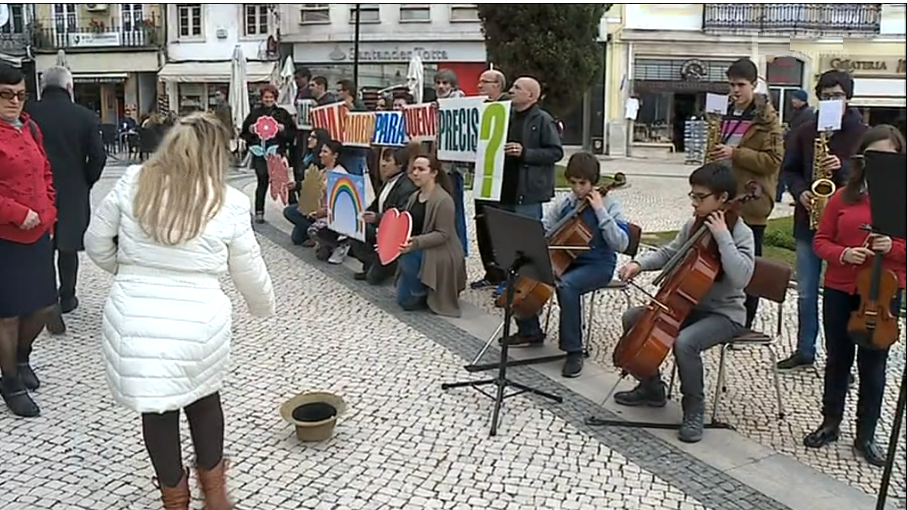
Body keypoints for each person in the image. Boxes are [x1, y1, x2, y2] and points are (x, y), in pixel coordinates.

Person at [84, 112, 275, 509]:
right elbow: (250, 269)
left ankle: (174, 499)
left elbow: (96, 241)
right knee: (204, 399)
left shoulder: (133, 182)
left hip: (134, 314)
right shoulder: (229, 202)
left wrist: (128, 272)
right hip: (198, 320)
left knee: (157, 409)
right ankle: (216, 495)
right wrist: (263, 308)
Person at [612, 162, 755, 443]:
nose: (694, 202)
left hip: (724, 314)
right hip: (689, 306)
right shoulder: (693, 225)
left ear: (723, 198)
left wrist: (722, 236)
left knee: (685, 342)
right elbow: (671, 253)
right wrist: (639, 265)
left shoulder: (741, 233)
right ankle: (651, 387)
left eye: (700, 197)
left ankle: (694, 408)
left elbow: (741, 278)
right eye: (693, 195)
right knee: (633, 317)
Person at [804, 125, 906, 467]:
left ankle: (866, 435)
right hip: (840, 288)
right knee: (838, 359)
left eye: (888, 158)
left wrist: (893, 247)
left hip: (882, 293)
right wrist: (844, 254)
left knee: (873, 365)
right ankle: (830, 422)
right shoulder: (843, 197)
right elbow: (821, 241)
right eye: (874, 157)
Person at [503, 153, 631, 378]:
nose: (577, 189)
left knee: (567, 285)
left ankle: (574, 350)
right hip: (567, 259)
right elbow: (545, 227)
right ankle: (529, 330)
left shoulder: (610, 205)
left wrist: (600, 211)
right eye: (573, 183)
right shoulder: (567, 203)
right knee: (523, 267)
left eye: (583, 183)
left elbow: (621, 243)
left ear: (593, 182)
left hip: (598, 264)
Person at [777, 70, 868, 371]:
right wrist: (800, 191)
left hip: (847, 228)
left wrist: (843, 168)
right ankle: (805, 349)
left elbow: (871, 179)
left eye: (837, 96)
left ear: (848, 98)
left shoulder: (863, 133)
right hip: (809, 220)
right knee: (806, 292)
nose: (831, 101)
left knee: (845, 295)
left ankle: (839, 361)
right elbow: (789, 170)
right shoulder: (806, 131)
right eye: (826, 96)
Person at [26, 65, 106, 335]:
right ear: (69, 87)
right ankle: (68, 296)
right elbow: (98, 156)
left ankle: (43, 296)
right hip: (73, 190)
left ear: (43, 86)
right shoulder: (84, 116)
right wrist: (86, 180)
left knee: (40, 246)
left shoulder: (28, 113)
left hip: (36, 190)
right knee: (68, 247)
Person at [0, 62, 58, 418]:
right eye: (6, 95)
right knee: (7, 314)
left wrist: (49, 209)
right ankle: (10, 381)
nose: (14, 101)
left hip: (38, 234)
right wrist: (16, 212)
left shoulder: (31, 128)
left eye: (20, 95)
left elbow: (45, 172)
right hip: (5, 238)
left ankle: (21, 359)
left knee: (43, 307)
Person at [707, 58, 783, 329]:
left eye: (740, 85)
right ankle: (717, 314)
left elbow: (773, 161)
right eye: (731, 85)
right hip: (723, 199)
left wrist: (735, 153)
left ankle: (745, 322)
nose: (735, 90)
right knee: (717, 260)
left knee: (747, 266)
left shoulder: (767, 119)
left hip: (751, 203)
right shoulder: (724, 112)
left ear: (753, 84)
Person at [471, 76, 564, 289]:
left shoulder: (542, 119)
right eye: (513, 86)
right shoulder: (505, 115)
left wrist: (526, 153)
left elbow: (555, 152)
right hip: (503, 190)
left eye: (517, 87)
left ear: (531, 95)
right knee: (504, 241)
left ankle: (526, 285)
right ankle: (505, 280)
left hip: (527, 193)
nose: (511, 90)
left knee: (525, 242)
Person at [396, 153, 467, 317]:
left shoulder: (443, 200)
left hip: (441, 250)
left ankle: (423, 291)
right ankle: (420, 287)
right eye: (414, 169)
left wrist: (415, 242)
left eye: (421, 169)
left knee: (407, 255)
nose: (415, 173)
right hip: (420, 245)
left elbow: (443, 235)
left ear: (433, 173)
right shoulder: (414, 197)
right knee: (403, 300)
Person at [353, 144, 418, 285]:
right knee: (356, 228)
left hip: (392, 235)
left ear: (399, 165)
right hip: (380, 229)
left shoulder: (406, 187)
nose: (382, 164)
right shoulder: (388, 182)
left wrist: (377, 218)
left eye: (388, 161)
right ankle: (371, 263)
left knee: (373, 279)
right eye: (383, 160)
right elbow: (376, 204)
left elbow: (401, 216)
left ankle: (388, 266)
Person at [472, 69, 512, 288]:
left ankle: (504, 274)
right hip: (482, 178)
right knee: (482, 226)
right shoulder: (479, 107)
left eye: (484, 81)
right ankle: (491, 273)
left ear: (497, 85)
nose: (479, 85)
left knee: (497, 229)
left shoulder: (509, 109)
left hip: (499, 180)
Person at [240, 84, 296, 224]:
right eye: (266, 97)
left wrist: (283, 130)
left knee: (284, 181)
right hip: (260, 153)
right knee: (262, 179)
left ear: (275, 98)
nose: (268, 100)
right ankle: (259, 211)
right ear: (262, 98)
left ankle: (294, 209)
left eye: (271, 97)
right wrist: (251, 131)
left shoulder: (282, 114)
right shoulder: (254, 114)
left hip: (277, 153)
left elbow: (293, 134)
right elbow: (244, 133)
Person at [283, 128, 329, 246]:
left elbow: (316, 183)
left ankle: (318, 233)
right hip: (307, 197)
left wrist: (298, 185)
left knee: (289, 212)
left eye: (313, 137)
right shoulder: (308, 156)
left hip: (318, 203)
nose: (309, 139)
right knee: (297, 239)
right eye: (309, 136)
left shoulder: (320, 161)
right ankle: (312, 230)